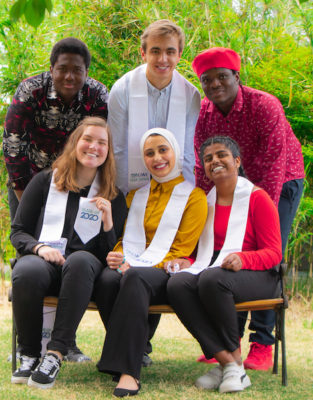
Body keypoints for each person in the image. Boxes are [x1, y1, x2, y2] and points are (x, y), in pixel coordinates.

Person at [191, 47, 304, 370]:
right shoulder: (204, 113)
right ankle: (230, 340)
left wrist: (255, 211)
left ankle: (263, 343)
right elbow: (202, 169)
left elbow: (273, 164)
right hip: (232, 187)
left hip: (280, 183)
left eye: (222, 77)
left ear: (237, 77)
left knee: (266, 255)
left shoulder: (265, 105)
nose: (214, 85)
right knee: (231, 253)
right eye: (207, 80)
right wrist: (201, 213)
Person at [3, 37, 109, 362]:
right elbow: (13, 145)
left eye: (77, 71)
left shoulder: (97, 95)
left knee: (74, 259)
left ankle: (67, 342)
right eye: (62, 69)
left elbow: (99, 139)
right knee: (32, 259)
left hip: (78, 184)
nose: (69, 77)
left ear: (86, 72)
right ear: (52, 68)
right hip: (31, 183)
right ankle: (27, 345)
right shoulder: (29, 91)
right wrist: (32, 198)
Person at [108, 19, 201, 365]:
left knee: (158, 259)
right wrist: (130, 201)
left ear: (179, 54)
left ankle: (139, 342)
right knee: (131, 259)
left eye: (171, 51)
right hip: (131, 191)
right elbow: (118, 148)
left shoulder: (190, 94)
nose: (163, 58)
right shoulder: (122, 89)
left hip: (175, 191)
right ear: (143, 52)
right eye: (156, 51)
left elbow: (188, 151)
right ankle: (138, 343)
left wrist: (182, 196)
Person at [10, 117, 127, 389]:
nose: (93, 147)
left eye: (102, 143)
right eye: (88, 139)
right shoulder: (44, 182)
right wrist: (39, 247)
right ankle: (28, 353)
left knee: (80, 259)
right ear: (75, 143)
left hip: (85, 272)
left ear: (108, 151)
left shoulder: (113, 196)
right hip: (46, 263)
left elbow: (112, 255)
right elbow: (19, 231)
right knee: (27, 270)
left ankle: (55, 353)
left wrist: (108, 223)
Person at [93, 128, 207, 397]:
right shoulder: (135, 195)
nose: (157, 158)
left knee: (134, 277)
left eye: (163, 150)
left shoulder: (194, 197)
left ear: (176, 152)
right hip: (132, 266)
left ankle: (129, 371)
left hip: (167, 272)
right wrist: (118, 256)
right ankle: (137, 347)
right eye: (149, 153)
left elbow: (181, 249)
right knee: (108, 279)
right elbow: (125, 237)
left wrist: (139, 266)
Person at [167, 136, 282, 393]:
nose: (214, 161)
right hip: (220, 270)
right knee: (178, 284)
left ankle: (233, 365)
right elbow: (206, 254)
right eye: (208, 159)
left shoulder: (257, 198)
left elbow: (274, 253)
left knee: (212, 279)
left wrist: (244, 258)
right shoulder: (205, 202)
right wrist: (186, 262)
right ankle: (228, 363)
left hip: (260, 275)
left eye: (221, 155)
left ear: (237, 161)